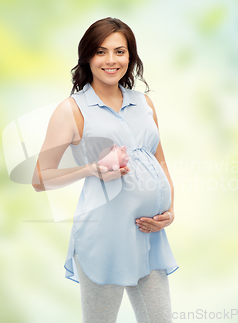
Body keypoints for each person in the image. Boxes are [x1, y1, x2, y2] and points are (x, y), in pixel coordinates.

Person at [32, 17, 178, 323]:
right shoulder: (73, 110)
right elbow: (39, 178)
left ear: (131, 56)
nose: (111, 60)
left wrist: (169, 209)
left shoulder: (144, 104)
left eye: (120, 51)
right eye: (101, 52)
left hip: (148, 236)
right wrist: (91, 169)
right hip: (105, 239)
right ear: (87, 57)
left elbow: (159, 161)